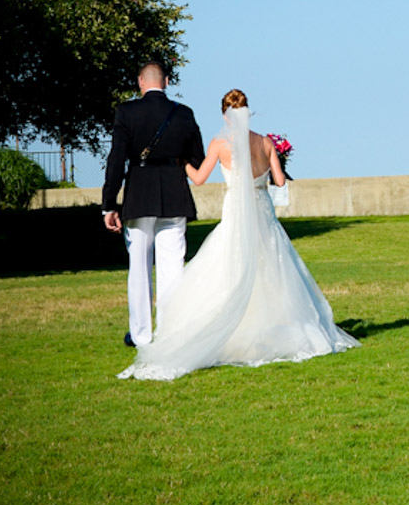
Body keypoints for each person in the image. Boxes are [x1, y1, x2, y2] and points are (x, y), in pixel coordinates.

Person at [117, 89, 359, 380]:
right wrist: (275, 161)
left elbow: (199, 178)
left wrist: (182, 161)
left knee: (230, 266)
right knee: (272, 268)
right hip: (263, 212)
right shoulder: (266, 142)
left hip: (236, 212)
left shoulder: (221, 144)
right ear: (248, 112)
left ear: (224, 115)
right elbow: (280, 181)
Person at [102, 62, 206, 347]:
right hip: (174, 195)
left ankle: (142, 335)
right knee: (173, 268)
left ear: (140, 82)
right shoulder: (184, 114)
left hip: (138, 196)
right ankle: (171, 332)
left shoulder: (126, 112)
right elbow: (197, 158)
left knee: (139, 269)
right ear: (168, 82)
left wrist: (109, 204)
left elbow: (116, 160)